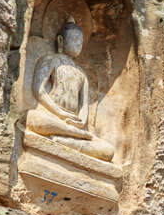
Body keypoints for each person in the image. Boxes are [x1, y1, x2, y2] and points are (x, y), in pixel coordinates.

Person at [25, 17, 114, 162]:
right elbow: (38, 90)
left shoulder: (82, 74)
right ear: (61, 41)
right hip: (52, 116)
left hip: (74, 125)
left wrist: (81, 122)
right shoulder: (51, 60)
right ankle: (71, 136)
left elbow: (84, 106)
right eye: (75, 39)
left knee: (108, 151)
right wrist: (60, 113)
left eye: (81, 41)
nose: (79, 43)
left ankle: (66, 140)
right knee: (33, 118)